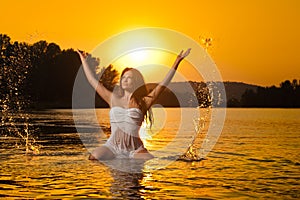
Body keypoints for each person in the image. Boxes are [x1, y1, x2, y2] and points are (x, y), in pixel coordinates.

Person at [77, 48, 191, 160]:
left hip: (135, 149)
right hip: (112, 147)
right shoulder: (112, 99)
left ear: (136, 81)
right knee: (94, 157)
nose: (125, 80)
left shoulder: (144, 102)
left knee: (152, 160)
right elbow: (92, 80)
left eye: (129, 78)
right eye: (123, 78)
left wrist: (176, 62)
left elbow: (162, 85)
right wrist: (83, 60)